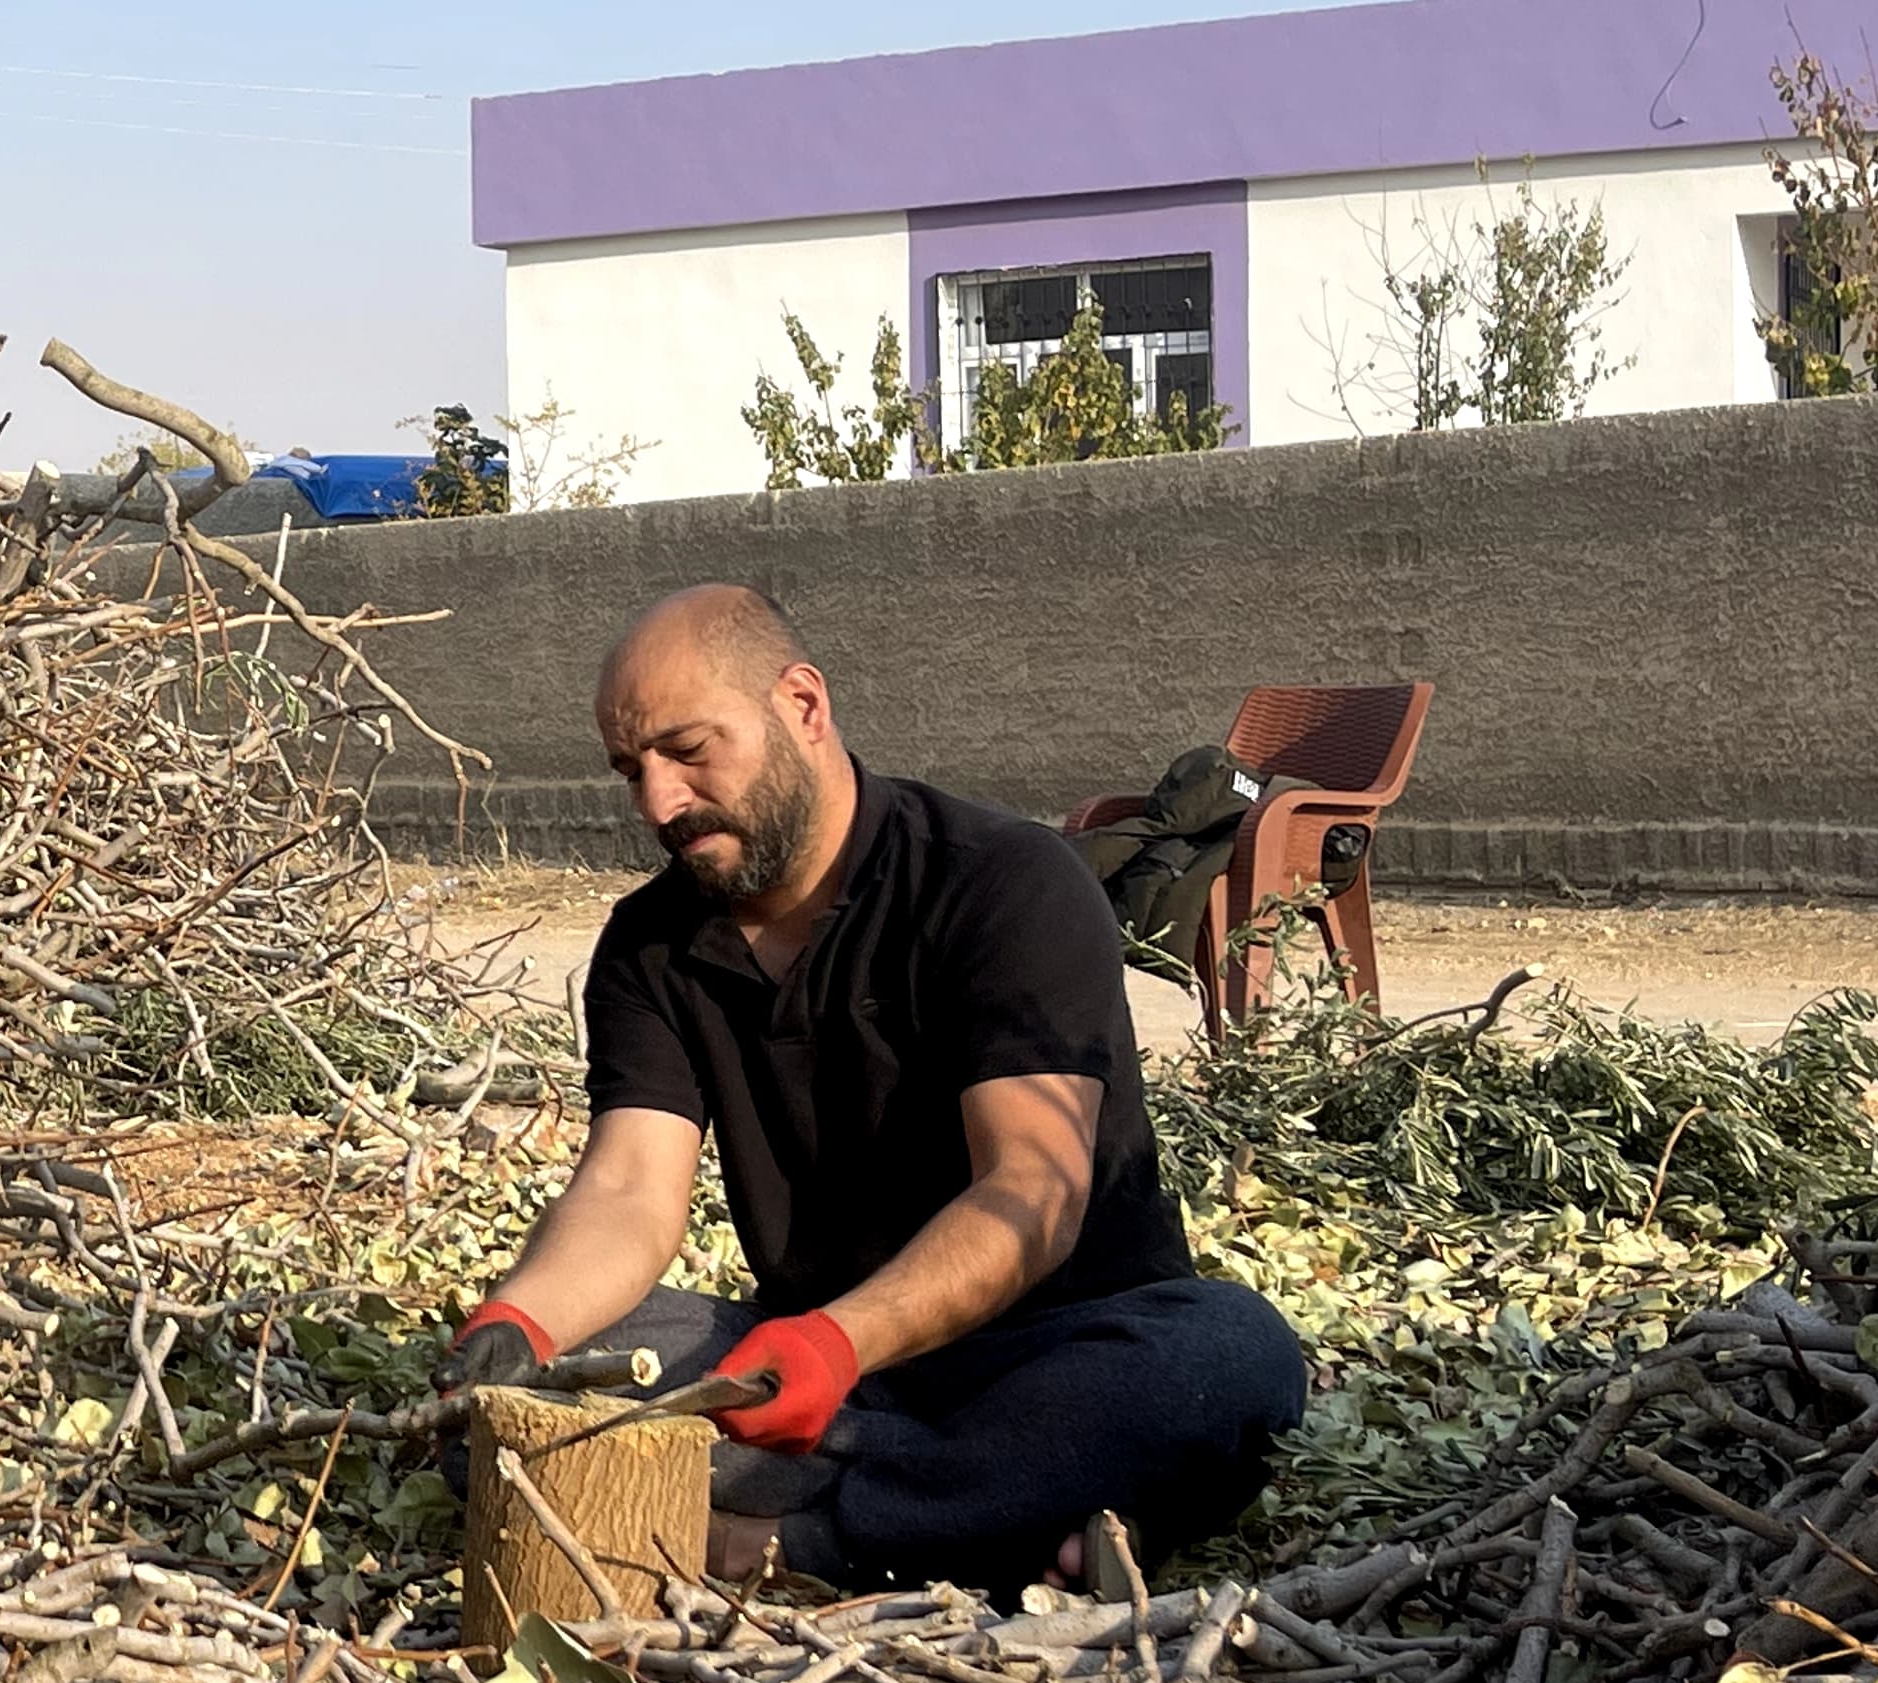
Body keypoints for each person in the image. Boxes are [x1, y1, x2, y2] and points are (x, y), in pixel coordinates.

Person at [442, 583, 1307, 1598]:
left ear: (802, 707)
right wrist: (518, 1329)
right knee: (526, 1399)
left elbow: (1033, 1189)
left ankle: (785, 1538)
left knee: (1229, 1357)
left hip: (1054, 1344)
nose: (658, 803)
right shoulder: (651, 944)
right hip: (806, 1363)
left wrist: (840, 1343)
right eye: (632, 770)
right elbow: (630, 1190)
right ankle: (993, 1523)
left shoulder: (1002, 882)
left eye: (688, 751)